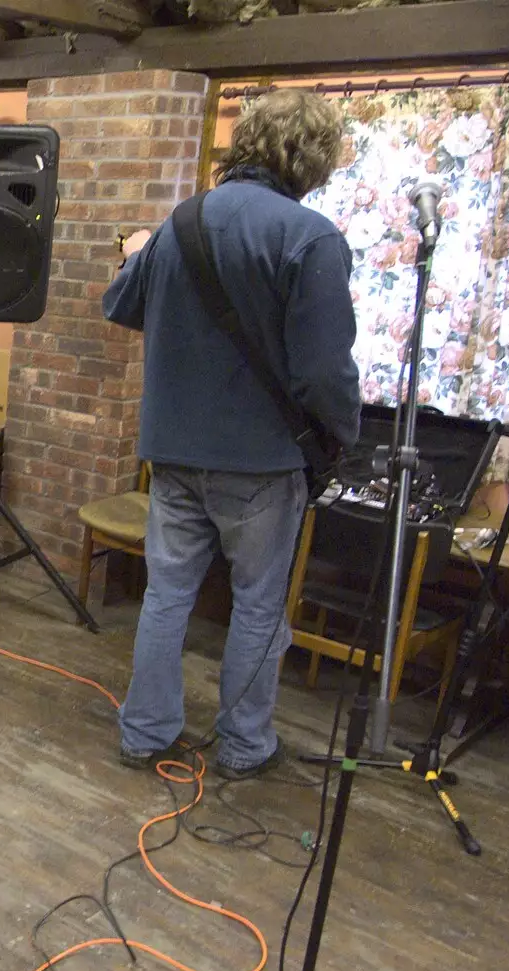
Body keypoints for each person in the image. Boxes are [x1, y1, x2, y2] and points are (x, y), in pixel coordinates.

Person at [102, 88, 362, 780]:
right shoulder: (311, 238)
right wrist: (343, 439)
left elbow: (120, 305)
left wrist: (137, 256)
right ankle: (245, 744)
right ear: (312, 161)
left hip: (174, 452)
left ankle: (145, 732)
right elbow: (323, 373)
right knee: (256, 605)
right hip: (262, 462)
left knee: (166, 594)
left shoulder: (180, 222)